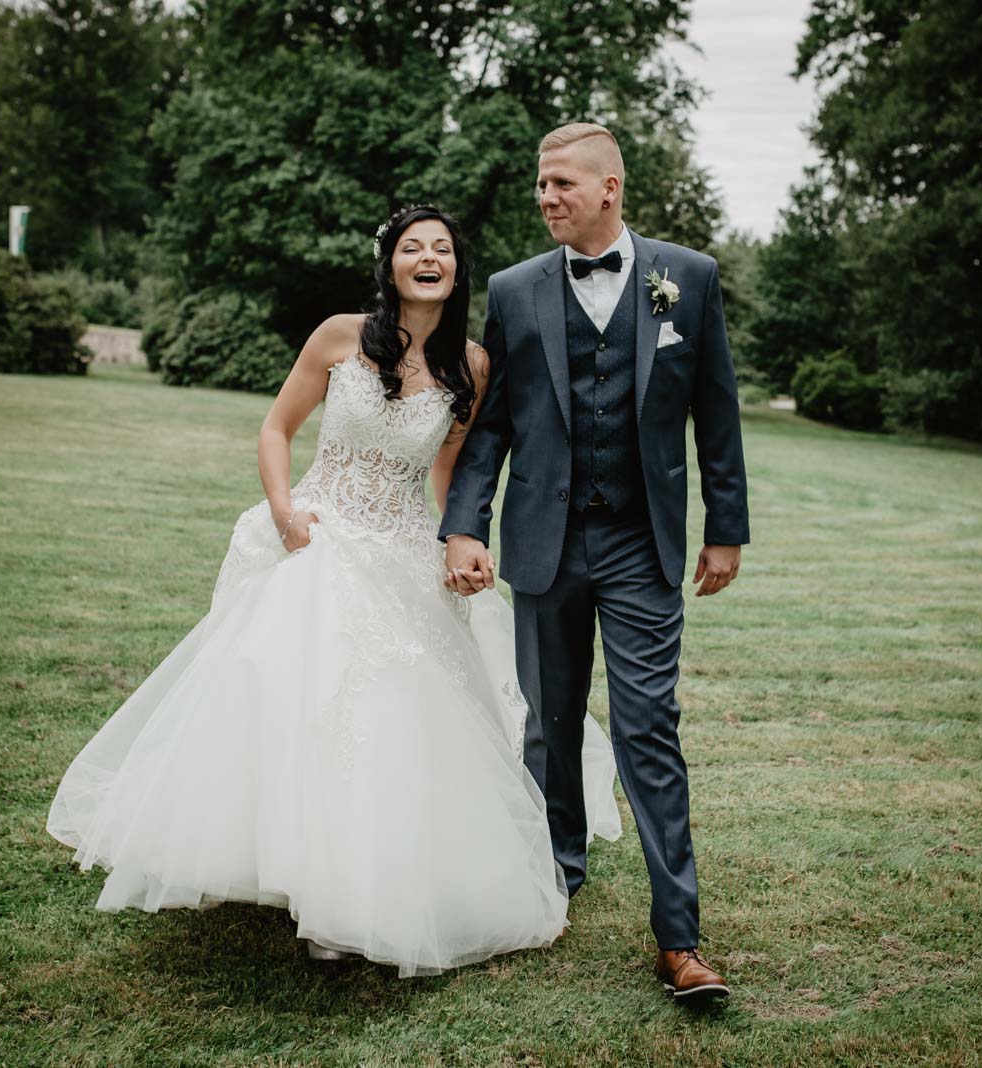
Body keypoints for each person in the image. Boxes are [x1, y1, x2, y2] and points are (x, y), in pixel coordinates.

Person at [47, 205, 621, 978]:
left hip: (401, 544)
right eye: (412, 247)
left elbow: (450, 474)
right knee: (290, 690)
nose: (427, 258)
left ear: (457, 269)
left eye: (442, 249)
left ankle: (356, 887)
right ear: (389, 265)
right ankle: (285, 862)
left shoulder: (473, 366)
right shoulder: (338, 336)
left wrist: (465, 538)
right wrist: (285, 510)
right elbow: (276, 430)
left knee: (395, 710)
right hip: (319, 534)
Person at [440, 123, 749, 1002]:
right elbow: (492, 423)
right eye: (541, 185)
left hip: (642, 544)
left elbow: (716, 411)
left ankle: (680, 938)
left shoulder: (686, 277)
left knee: (650, 727)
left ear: (611, 187)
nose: (546, 198)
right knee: (551, 724)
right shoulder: (513, 288)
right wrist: (465, 524)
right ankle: (554, 879)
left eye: (562, 184)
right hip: (545, 540)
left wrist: (725, 528)